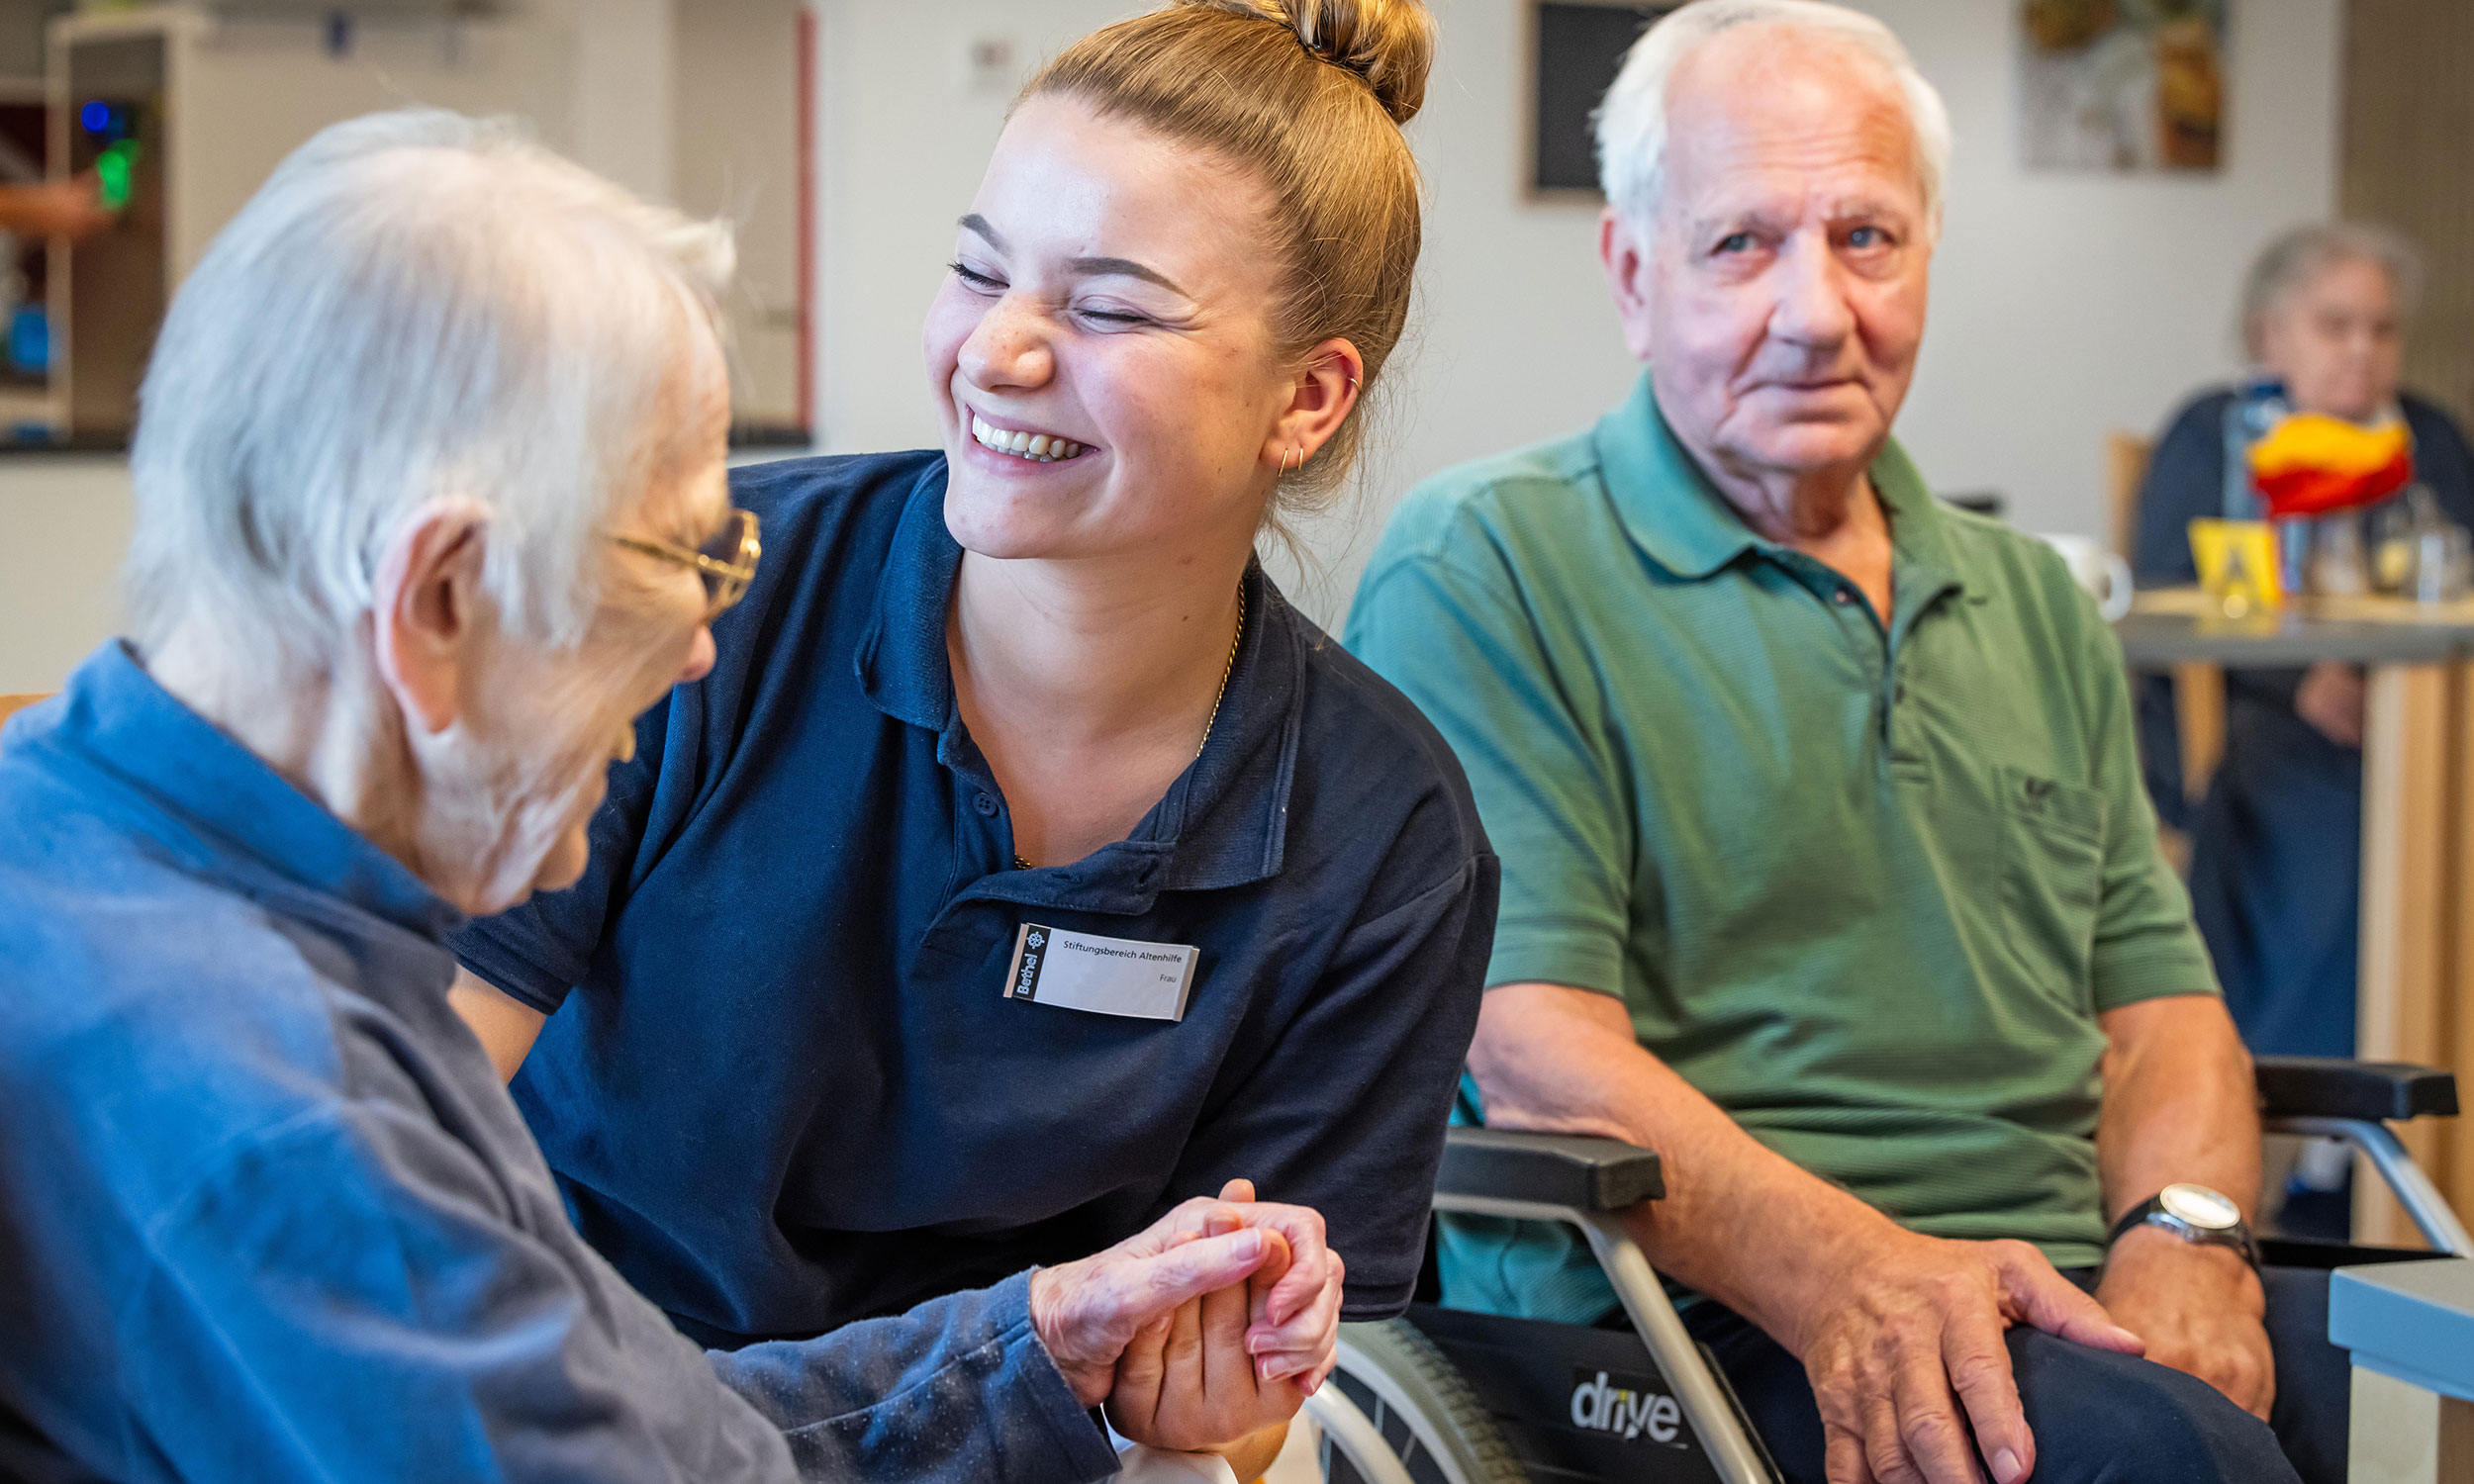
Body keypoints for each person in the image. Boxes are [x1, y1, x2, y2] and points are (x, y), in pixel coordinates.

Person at [0, 110, 1344, 1484]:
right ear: (439, 599)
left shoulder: (65, 849)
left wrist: (1036, 1347)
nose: (703, 642)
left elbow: (637, 1426)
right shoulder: (297, 1130)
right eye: (676, 560)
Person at [446, 0, 1491, 1472]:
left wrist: (1214, 1402)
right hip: (568, 1409)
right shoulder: (703, 597)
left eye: (1111, 307)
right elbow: (398, 1124)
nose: (999, 351)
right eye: (978, 269)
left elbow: (1227, 1400)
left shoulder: (1382, 839)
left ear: (1307, 398)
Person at [1344, 3, 2349, 1482]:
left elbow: (2164, 1020)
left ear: (1927, 259)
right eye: (1742, 243)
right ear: (1635, 276)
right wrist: (1866, 1276)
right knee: (2174, 1462)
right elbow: (1540, 1057)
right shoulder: (1488, 564)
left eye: (1866, 239)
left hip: (2059, 1283)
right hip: (1686, 1316)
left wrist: (2182, 1241)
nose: (1817, 311)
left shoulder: (2034, 601)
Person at [2134, 225, 2474, 1066]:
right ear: (2268, 333)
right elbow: (2169, 586)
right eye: (2335, 325)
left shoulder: (2428, 437)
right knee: (2317, 797)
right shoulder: (2213, 433)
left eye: (2382, 329)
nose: (2362, 350)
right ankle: (2320, 1093)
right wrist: (2301, 681)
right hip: (2249, 709)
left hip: (2416, 708)